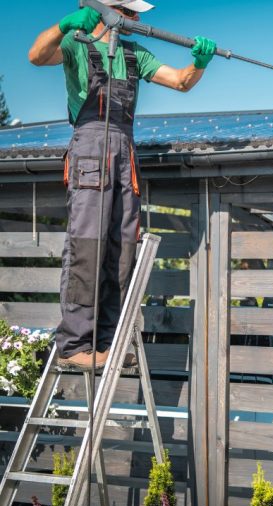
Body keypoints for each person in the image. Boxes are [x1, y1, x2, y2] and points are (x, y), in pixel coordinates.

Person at [28, 0, 217, 369]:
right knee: (88, 244)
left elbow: (180, 82)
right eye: (131, 13)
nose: (137, 19)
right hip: (89, 150)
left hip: (124, 153)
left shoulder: (135, 55)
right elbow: (37, 55)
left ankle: (109, 340)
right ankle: (74, 344)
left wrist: (200, 63)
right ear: (106, 10)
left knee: (121, 247)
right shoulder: (76, 43)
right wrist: (64, 24)